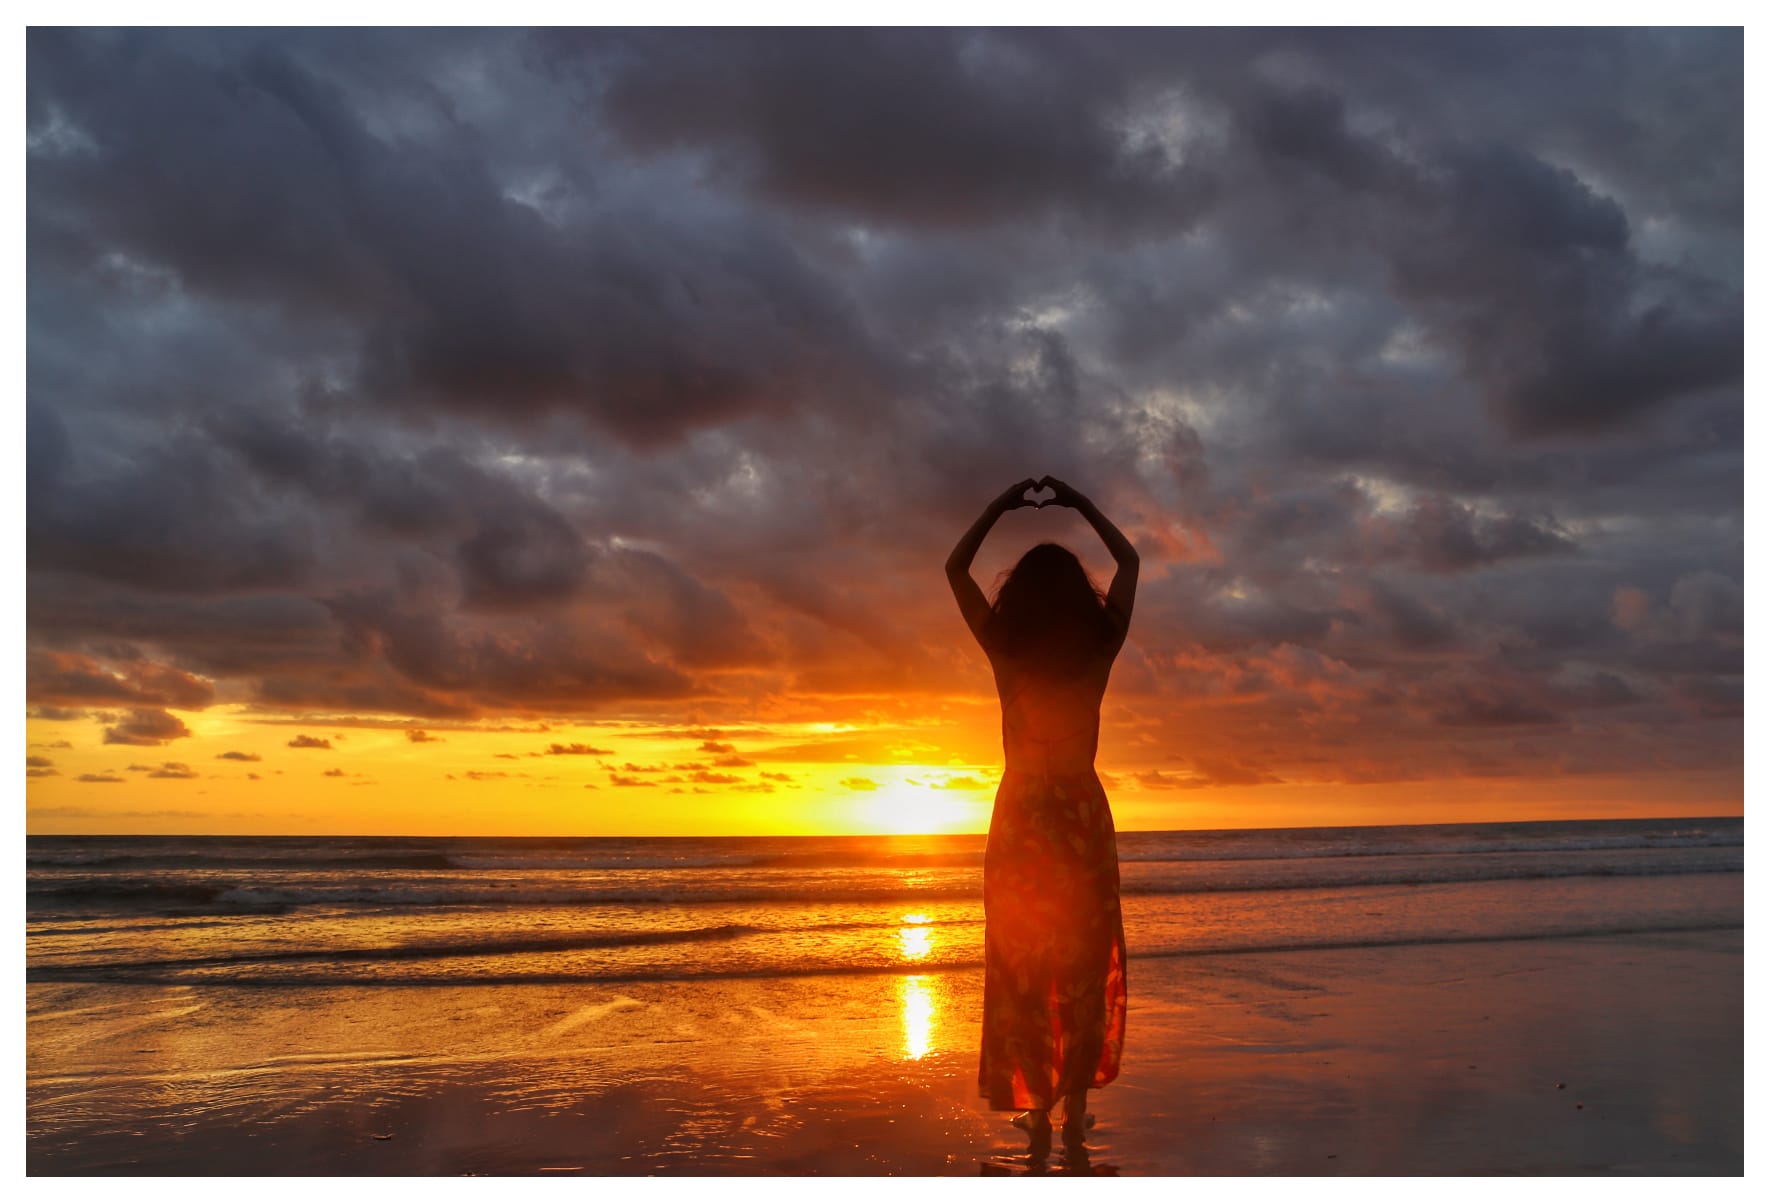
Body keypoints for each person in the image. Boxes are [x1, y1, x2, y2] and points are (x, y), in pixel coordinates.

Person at [945, 475, 1138, 1162]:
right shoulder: (1098, 650)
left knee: (1021, 965)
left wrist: (1000, 504)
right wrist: (1081, 502)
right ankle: (1075, 1107)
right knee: (1084, 965)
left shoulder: (1005, 649)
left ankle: (1036, 1115)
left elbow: (955, 568)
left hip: (1023, 817)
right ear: (1075, 600)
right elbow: (1130, 563)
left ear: (1021, 596)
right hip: (1081, 816)